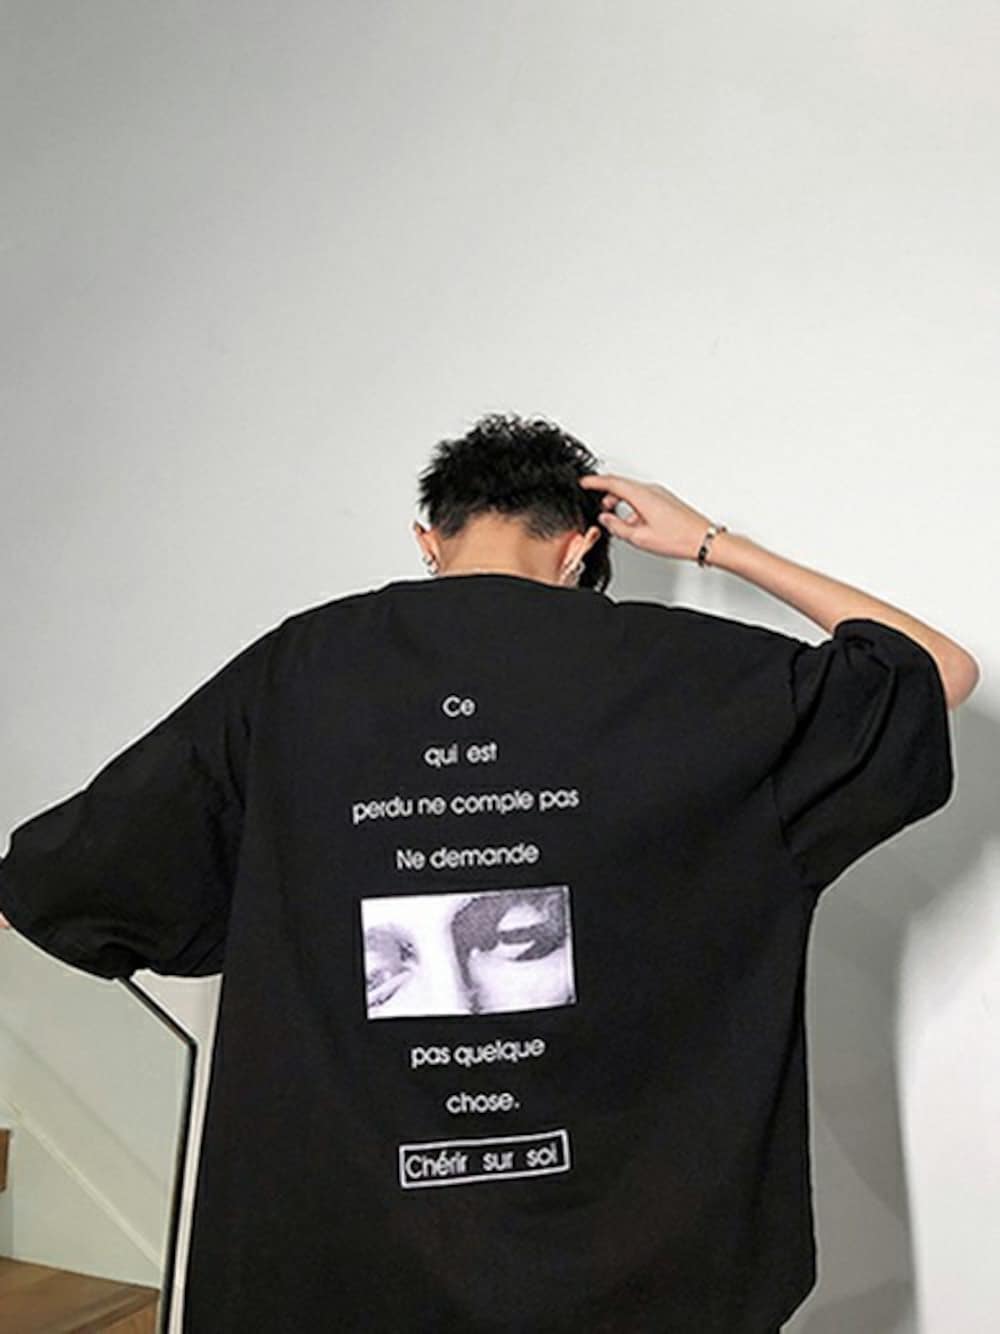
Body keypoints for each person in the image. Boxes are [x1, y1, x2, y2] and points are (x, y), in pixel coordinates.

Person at [0, 412, 978, 1333]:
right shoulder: (686, 672)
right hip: (623, 1269)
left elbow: (85, 870)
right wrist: (711, 543)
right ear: (581, 547)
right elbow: (935, 670)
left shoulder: (297, 669)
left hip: (347, 1263)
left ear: (428, 539)